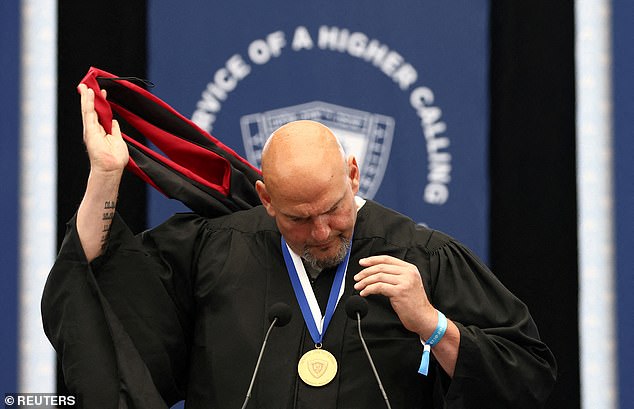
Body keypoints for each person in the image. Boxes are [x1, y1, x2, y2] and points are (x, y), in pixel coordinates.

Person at [42, 84, 557, 408]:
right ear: (265, 199)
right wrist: (106, 177)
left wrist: (434, 325)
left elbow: (528, 378)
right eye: (297, 218)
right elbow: (97, 286)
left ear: (353, 175)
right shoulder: (211, 250)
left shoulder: (421, 257)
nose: (320, 232)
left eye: (333, 208)